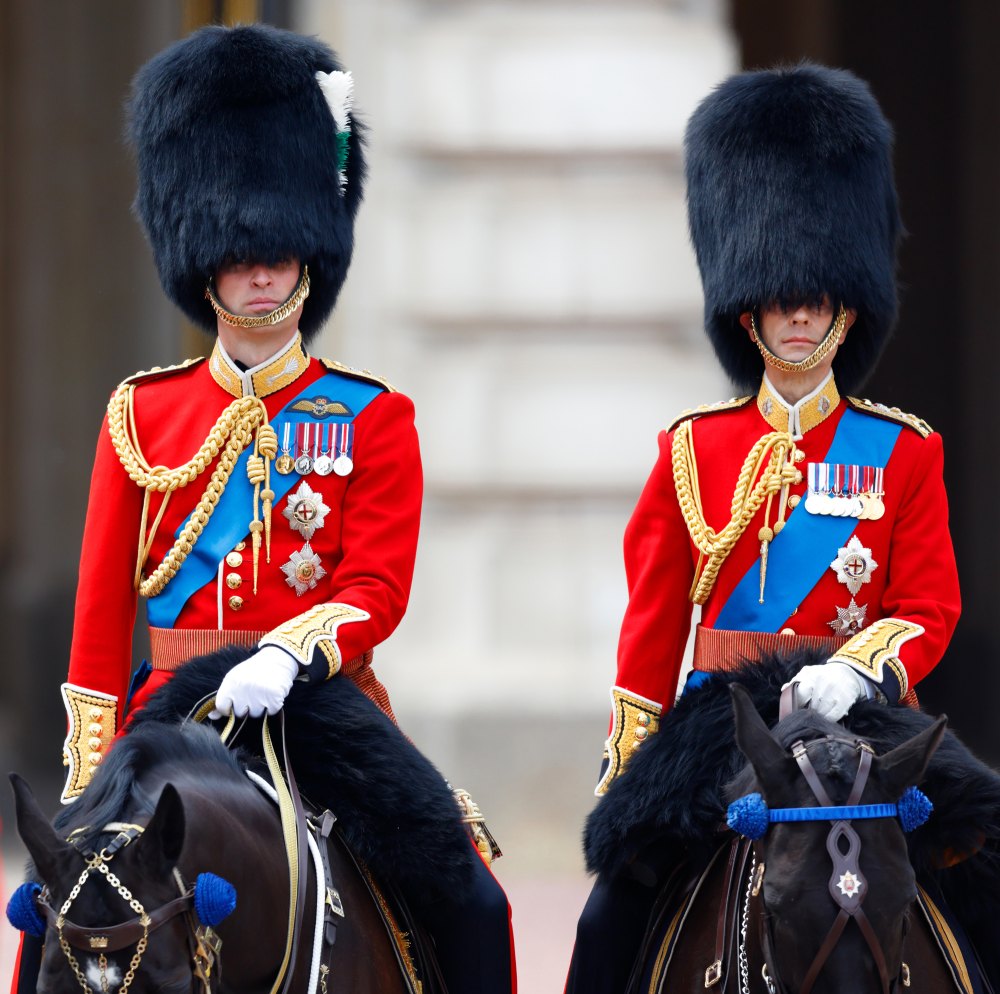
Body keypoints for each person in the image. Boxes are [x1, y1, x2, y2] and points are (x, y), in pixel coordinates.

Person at [9, 24, 514, 994]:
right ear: (206, 259)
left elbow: (377, 582)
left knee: (473, 896)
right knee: (55, 907)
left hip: (318, 705)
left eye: (279, 250)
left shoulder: (371, 414)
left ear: (310, 254)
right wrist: (84, 768)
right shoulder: (141, 413)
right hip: (166, 706)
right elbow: (100, 611)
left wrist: (290, 650)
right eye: (241, 253)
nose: (262, 271)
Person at [566, 64, 962, 993]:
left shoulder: (903, 451)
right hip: (721, 722)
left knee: (979, 867)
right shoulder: (692, 448)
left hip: (859, 711)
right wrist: (630, 756)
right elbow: (652, 624)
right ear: (748, 308)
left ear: (845, 304)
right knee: (608, 913)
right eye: (781, 297)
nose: (797, 313)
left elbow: (930, 605)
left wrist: (858, 669)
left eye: (816, 297)